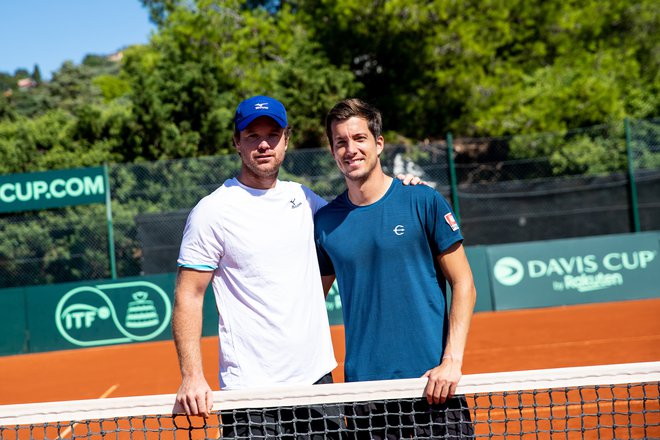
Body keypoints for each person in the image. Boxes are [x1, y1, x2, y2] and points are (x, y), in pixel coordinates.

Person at [173, 95, 419, 438]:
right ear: (236, 142)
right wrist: (192, 376)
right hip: (250, 394)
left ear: (286, 139)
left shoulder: (305, 200)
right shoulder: (212, 212)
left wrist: (402, 189)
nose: (263, 144)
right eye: (251, 136)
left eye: (272, 135)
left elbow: (361, 211)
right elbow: (189, 295)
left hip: (317, 384)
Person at [314, 98, 477, 439]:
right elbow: (310, 299)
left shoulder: (422, 201)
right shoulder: (325, 223)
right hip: (364, 398)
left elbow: (464, 283)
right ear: (332, 151)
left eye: (359, 138)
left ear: (378, 143)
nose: (350, 149)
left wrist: (452, 362)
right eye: (340, 142)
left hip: (432, 388)